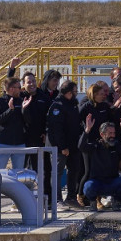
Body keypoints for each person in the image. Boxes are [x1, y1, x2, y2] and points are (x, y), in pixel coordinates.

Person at [79, 116, 121, 209]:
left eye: (114, 133)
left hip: (112, 182)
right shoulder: (96, 145)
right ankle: (93, 201)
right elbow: (81, 146)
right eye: (110, 133)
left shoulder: (116, 145)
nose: (113, 136)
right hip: (97, 182)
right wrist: (87, 130)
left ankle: (116, 200)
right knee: (88, 186)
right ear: (102, 134)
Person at [46, 79, 82, 207]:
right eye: (74, 91)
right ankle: (57, 200)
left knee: (74, 170)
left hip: (73, 145)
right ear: (67, 92)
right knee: (57, 172)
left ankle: (71, 197)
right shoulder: (57, 105)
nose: (76, 94)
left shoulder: (72, 104)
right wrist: (63, 147)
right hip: (60, 147)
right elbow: (56, 129)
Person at [0, 77, 30, 171]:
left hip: (19, 143)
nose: (21, 89)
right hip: (3, 143)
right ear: (12, 89)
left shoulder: (21, 101)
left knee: (19, 173)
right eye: (19, 87)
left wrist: (25, 110)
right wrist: (10, 110)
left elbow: (28, 121)